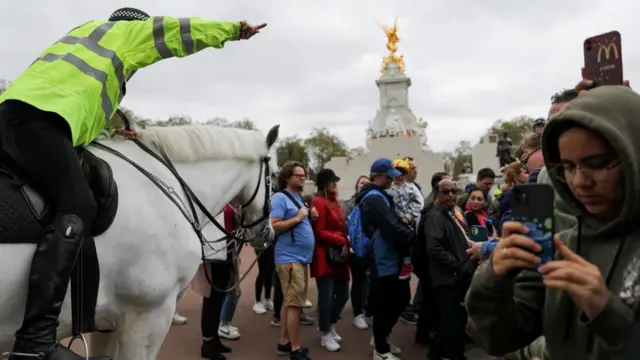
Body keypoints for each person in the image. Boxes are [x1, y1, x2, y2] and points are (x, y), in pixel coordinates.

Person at [0, 8, 266, 360]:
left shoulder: (81, 36)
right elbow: (175, 32)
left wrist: (110, 129)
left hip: (13, 117)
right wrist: (232, 29)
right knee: (78, 204)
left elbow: (76, 101)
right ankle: (35, 339)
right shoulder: (125, 34)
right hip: (42, 123)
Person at [466, 85, 640, 360]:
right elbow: (500, 339)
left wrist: (607, 313)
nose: (580, 181)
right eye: (568, 167)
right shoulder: (564, 245)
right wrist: (493, 277)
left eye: (597, 163)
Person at [357, 158, 416, 360]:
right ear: (379, 176)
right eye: (389, 176)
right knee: (387, 303)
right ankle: (380, 350)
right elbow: (389, 227)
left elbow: (389, 223)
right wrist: (411, 235)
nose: (393, 179)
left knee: (399, 299)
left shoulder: (378, 196)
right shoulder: (374, 198)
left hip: (387, 256)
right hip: (383, 258)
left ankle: (381, 338)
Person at [425, 179, 477, 360]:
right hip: (447, 279)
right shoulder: (435, 216)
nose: (451, 195)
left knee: (449, 324)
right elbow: (434, 249)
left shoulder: (449, 213)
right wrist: (458, 266)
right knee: (452, 324)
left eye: (453, 191)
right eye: (445, 192)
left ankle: (437, 355)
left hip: (454, 278)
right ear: (437, 194)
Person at [271, 161, 317, 360]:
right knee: (295, 304)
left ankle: (284, 343)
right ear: (288, 178)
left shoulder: (297, 198)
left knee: (291, 303)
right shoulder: (280, 198)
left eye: (304, 175)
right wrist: (299, 217)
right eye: (299, 175)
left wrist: (309, 217)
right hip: (289, 258)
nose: (303, 178)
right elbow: (275, 225)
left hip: (300, 259)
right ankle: (295, 349)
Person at [310, 169, 350, 352]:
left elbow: (341, 224)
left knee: (343, 294)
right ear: (325, 183)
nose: (335, 184)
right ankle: (325, 333)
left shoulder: (335, 201)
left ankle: (329, 324)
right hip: (324, 255)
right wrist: (342, 239)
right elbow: (320, 231)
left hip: (338, 255)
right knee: (326, 297)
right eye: (332, 181)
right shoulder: (319, 201)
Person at [343, 175, 373, 330]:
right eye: (361, 182)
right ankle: (357, 313)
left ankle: (367, 310)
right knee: (359, 281)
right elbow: (344, 224)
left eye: (367, 183)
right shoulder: (349, 204)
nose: (364, 185)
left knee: (371, 281)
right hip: (356, 249)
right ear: (356, 186)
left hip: (372, 248)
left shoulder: (373, 202)